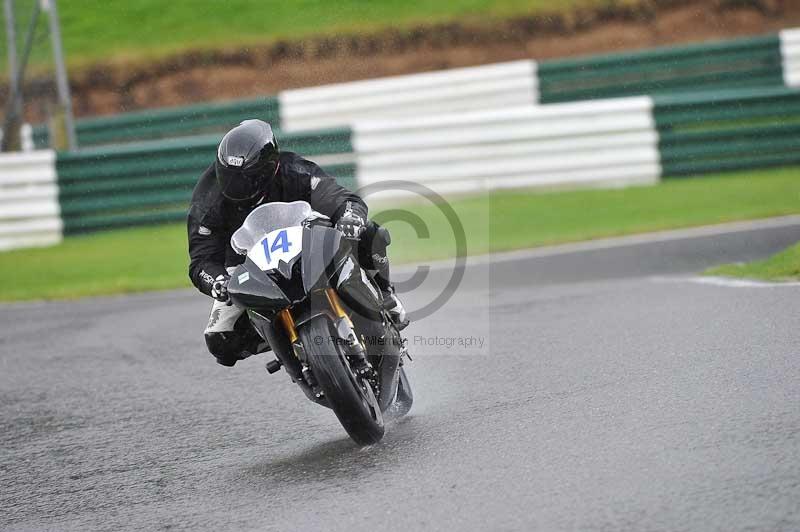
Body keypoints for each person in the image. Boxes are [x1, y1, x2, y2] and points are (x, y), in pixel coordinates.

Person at [188, 119, 408, 367]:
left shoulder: (294, 170)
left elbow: (340, 198)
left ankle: (385, 294)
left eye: (244, 178)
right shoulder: (207, 201)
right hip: (245, 264)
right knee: (220, 340)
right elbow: (201, 260)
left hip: (305, 237)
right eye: (228, 176)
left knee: (368, 232)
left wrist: (350, 217)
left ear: (269, 167)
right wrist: (216, 281)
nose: (234, 185)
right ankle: (281, 340)